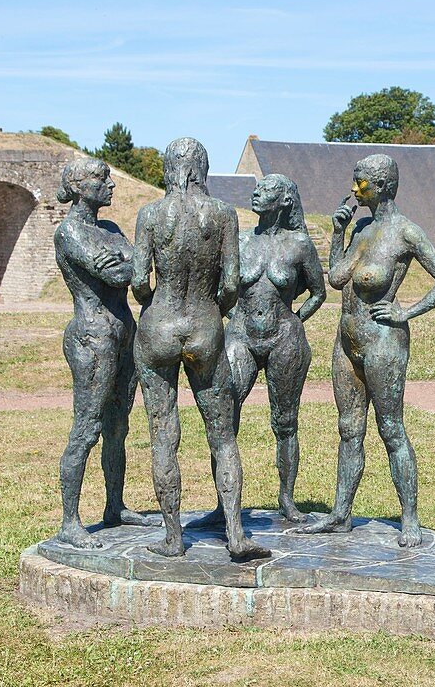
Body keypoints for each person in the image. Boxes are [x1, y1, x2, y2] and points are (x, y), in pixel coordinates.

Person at [297, 154, 435, 547]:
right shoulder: (362, 229)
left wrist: (407, 312)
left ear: (382, 186)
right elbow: (335, 278)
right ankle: (339, 514)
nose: (354, 189)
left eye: (361, 182)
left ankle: (410, 519)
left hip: (383, 342)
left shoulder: (406, 233)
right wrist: (337, 232)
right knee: (349, 430)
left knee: (391, 430)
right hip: (346, 341)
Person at [132, 137, 271, 561]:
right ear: (202, 169)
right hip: (204, 327)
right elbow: (232, 283)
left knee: (163, 435)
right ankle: (234, 534)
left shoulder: (151, 215)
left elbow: (139, 281)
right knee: (223, 435)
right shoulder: (223, 215)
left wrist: (155, 300)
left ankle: (174, 538)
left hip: (160, 326)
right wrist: (214, 308)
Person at [189, 174, 326, 528]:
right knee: (224, 417)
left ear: (283, 201)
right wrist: (232, 315)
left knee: (285, 422)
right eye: (257, 188)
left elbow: (318, 293)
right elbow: (219, 285)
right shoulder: (239, 240)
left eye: (266, 190)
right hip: (241, 338)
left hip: (285, 339)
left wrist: (295, 319)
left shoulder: (299, 245)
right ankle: (225, 505)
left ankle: (287, 499)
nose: (256, 193)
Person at [53, 157, 152, 549]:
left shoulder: (110, 229)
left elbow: (139, 266)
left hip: (124, 335)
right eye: (101, 178)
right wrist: (132, 265)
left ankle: (115, 505)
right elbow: (117, 274)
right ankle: (70, 521)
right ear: (79, 187)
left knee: (118, 427)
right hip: (92, 338)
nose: (110, 184)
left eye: (109, 177)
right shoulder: (70, 233)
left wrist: (131, 264)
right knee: (87, 427)